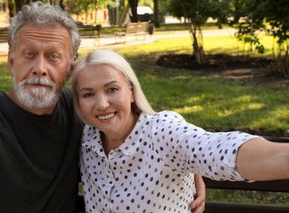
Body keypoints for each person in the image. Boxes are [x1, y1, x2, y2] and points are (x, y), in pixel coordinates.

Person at [0, 2, 205, 212]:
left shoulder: (83, 109)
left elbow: (140, 129)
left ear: (70, 67)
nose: (40, 68)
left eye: (53, 57)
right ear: (11, 61)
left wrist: (188, 165)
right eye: (29, 54)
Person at [71, 49, 289, 213]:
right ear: (78, 102)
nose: (101, 104)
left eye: (112, 89)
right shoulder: (87, 139)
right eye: (88, 94)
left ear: (131, 92)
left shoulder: (162, 132)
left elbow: (218, 149)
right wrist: (194, 171)